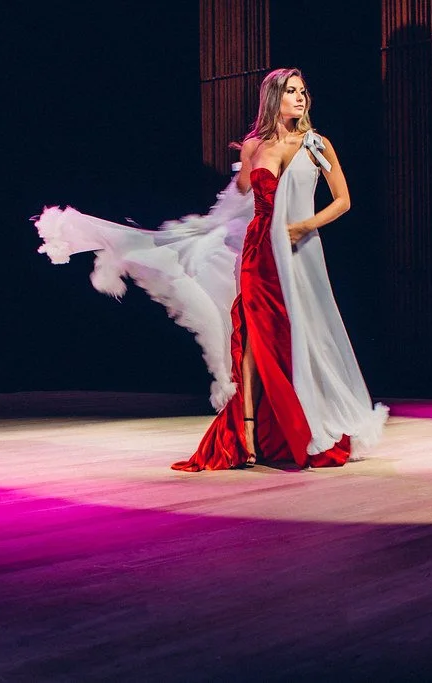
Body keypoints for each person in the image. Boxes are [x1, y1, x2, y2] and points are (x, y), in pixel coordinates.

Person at [34, 68, 387, 471]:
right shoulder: (254, 146)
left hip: (299, 248)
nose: (300, 97)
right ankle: (248, 429)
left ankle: (305, 419)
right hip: (259, 251)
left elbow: (343, 201)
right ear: (274, 98)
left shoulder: (317, 144)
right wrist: (205, 228)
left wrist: (304, 226)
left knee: (300, 332)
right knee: (253, 335)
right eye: (291, 91)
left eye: (303, 91)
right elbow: (238, 202)